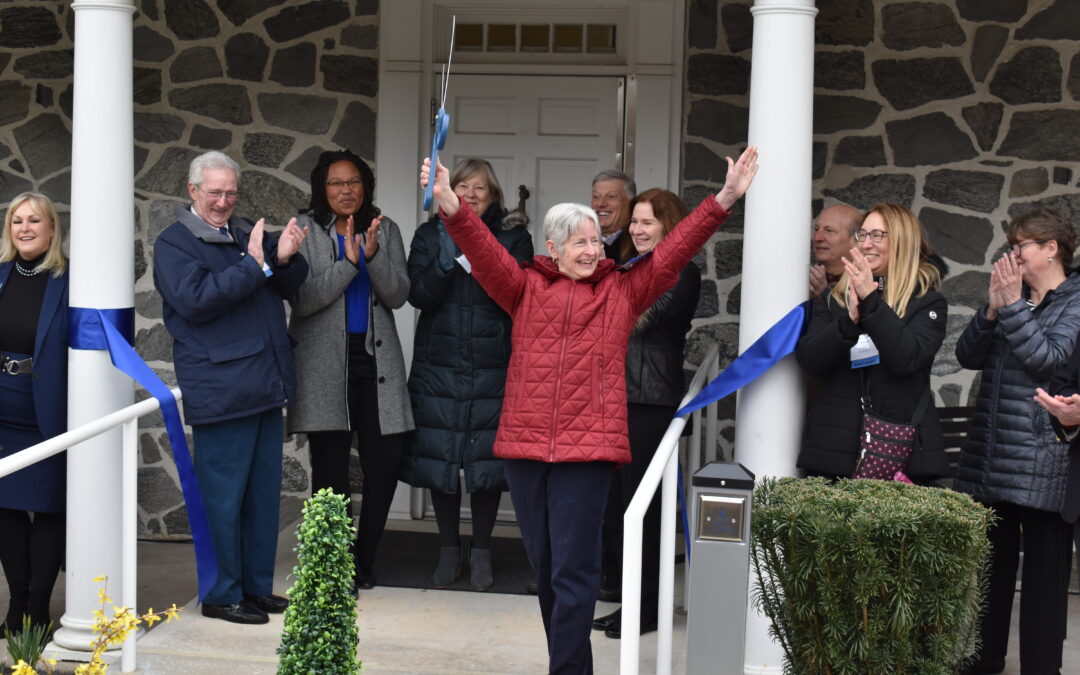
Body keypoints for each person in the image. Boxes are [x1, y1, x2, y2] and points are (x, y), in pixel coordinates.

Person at [421, 145, 758, 674]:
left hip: (589, 450)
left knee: (575, 571)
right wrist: (449, 202)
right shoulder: (523, 286)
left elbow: (672, 253)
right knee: (547, 566)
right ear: (552, 247)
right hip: (527, 447)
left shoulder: (624, 290)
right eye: (578, 242)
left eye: (595, 241)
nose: (591, 249)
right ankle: (569, 661)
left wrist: (724, 199)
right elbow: (484, 252)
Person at [153, 151, 309, 624]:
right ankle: (222, 595)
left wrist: (281, 259)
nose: (223, 201)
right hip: (221, 388)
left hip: (263, 382)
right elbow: (196, 301)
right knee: (224, 499)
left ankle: (255, 588)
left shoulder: (244, 233)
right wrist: (257, 266)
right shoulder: (173, 244)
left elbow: (287, 285)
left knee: (262, 496)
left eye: (230, 192)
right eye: (214, 192)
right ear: (192, 190)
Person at [959, 208, 1080, 675]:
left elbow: (1048, 361)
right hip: (993, 461)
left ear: (1052, 249)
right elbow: (968, 355)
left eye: (1021, 245)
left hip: (1045, 463)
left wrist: (1010, 307)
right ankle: (983, 663)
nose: (1012, 254)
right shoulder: (1013, 298)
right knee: (990, 581)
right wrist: (993, 309)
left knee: (1045, 588)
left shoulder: (1074, 301)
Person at [287, 149, 413, 593]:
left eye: (354, 182)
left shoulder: (386, 228)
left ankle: (364, 560)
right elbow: (303, 300)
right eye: (337, 183)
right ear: (323, 188)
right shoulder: (304, 230)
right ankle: (333, 565)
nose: (347, 191)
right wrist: (351, 262)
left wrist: (374, 255)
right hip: (326, 368)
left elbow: (398, 295)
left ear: (367, 186)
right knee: (331, 472)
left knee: (384, 465)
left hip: (377, 365)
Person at [403, 158, 533, 591]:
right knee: (442, 457)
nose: (472, 194)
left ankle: (481, 551)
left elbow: (517, 295)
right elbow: (417, 296)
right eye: (463, 185)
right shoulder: (427, 235)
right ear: (447, 189)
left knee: (484, 462)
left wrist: (478, 253)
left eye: (480, 187)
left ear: (493, 195)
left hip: (493, 361)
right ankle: (446, 550)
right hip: (439, 362)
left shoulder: (514, 238)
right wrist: (444, 261)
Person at [591, 189, 700, 640]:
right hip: (614, 399)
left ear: (668, 227)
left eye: (647, 223)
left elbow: (635, 318)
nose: (636, 230)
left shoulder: (681, 272)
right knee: (615, 507)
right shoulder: (627, 267)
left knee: (645, 510)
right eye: (634, 222)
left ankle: (647, 609)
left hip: (650, 403)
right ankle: (628, 600)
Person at [796, 203, 949, 481]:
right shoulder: (835, 298)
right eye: (862, 235)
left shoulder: (928, 301)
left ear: (902, 241)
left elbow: (907, 358)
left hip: (897, 455)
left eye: (877, 235)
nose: (867, 244)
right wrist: (848, 323)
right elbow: (810, 361)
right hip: (834, 453)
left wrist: (871, 304)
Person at [0, 193, 68, 635]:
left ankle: (40, 608)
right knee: (3, 505)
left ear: (50, 229)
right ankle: (17, 603)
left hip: (47, 406)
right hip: (2, 404)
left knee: (48, 506)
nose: (25, 228)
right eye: (16, 221)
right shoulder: (0, 276)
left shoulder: (70, 279)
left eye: (34, 221)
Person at [809, 203, 860, 300]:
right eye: (816, 229)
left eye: (829, 230)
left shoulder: (868, 285)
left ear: (856, 241)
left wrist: (826, 295)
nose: (817, 238)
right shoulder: (804, 281)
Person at [591, 169, 635, 259]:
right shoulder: (578, 238)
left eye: (611, 196)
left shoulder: (640, 241)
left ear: (631, 203)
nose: (600, 203)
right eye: (596, 197)